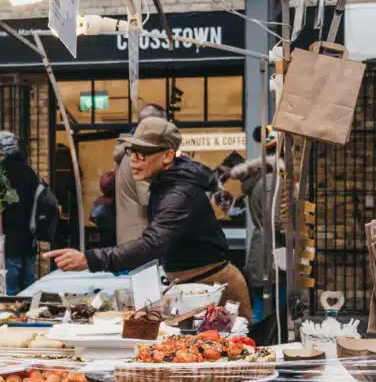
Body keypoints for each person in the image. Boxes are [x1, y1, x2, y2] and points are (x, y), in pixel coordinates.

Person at [46, 118, 252, 319]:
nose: (134, 159)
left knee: (232, 350)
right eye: (132, 151)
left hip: (213, 289)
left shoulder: (178, 194)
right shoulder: (165, 183)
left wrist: (89, 259)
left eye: (143, 153)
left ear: (167, 156)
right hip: (194, 286)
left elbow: (153, 243)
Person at [230, 127, 286, 321]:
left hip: (262, 247)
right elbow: (277, 220)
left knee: (261, 306)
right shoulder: (272, 180)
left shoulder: (260, 178)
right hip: (272, 250)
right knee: (271, 310)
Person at [0, 131, 38, 294]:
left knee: (9, 289)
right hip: (29, 237)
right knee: (29, 284)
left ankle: (12, 316)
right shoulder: (29, 172)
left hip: (10, 239)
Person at [114, 103, 167, 244]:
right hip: (141, 241)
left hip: (131, 239)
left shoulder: (128, 151)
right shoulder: (139, 154)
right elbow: (147, 198)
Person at [91, 170, 118, 248]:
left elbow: (93, 217)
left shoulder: (99, 201)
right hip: (114, 240)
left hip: (103, 239)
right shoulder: (115, 202)